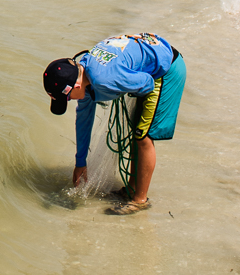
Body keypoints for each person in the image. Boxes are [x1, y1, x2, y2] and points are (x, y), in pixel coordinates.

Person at [42, 32, 186, 216]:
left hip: (167, 71)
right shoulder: (85, 69)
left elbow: (147, 83)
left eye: (67, 98)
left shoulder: (104, 79)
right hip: (156, 53)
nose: (69, 101)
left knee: (143, 136)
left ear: (75, 87)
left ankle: (140, 200)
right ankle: (132, 189)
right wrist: (80, 163)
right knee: (137, 132)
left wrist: (120, 87)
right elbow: (84, 121)